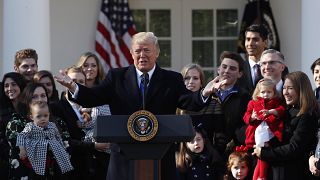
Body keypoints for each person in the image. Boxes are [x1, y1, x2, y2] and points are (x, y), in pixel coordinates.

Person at [54, 32, 221, 180]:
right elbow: (93, 97)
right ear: (131, 54)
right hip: (124, 157)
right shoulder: (117, 77)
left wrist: (204, 93)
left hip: (160, 156)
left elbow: (189, 101)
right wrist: (73, 87)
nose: (142, 55)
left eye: (147, 50)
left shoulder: (172, 79)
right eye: (138, 51)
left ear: (157, 53)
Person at [253, 71, 319, 180]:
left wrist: (264, 153)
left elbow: (294, 148)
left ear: (301, 90)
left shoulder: (308, 115)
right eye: (284, 88)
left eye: (290, 88)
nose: (285, 92)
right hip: (277, 171)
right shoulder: (285, 111)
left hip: (295, 173)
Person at [52, 66, 109, 180]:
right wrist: (94, 145)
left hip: (99, 168)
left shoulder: (95, 106)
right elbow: (64, 141)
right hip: (73, 169)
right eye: (73, 81)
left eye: (81, 82)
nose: (77, 84)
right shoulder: (57, 107)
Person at [207, 51, 251, 158]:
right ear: (218, 69)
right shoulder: (206, 93)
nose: (227, 71)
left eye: (232, 68)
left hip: (233, 154)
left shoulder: (245, 97)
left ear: (240, 74)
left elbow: (245, 126)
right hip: (206, 151)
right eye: (224, 67)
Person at [16, 101, 73, 179]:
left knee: (60, 170)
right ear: (32, 117)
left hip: (54, 154)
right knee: (38, 174)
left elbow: (58, 137)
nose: (43, 119)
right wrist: (22, 149)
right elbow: (21, 136)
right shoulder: (30, 126)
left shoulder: (52, 125)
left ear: (49, 115)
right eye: (39, 116)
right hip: (38, 155)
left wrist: (63, 149)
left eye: (45, 116)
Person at [243, 78, 285, 180]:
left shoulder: (276, 101)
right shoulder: (253, 103)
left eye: (269, 92)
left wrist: (271, 112)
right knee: (259, 157)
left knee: (262, 155)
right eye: (263, 92)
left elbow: (281, 110)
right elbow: (246, 116)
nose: (265, 94)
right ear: (258, 92)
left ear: (274, 92)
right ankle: (260, 177)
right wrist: (252, 117)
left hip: (270, 131)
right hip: (257, 132)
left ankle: (261, 176)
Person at [0, 72, 27, 179]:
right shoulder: (2, 113)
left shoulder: (30, 109)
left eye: (14, 84)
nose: (10, 88)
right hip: (11, 163)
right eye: (6, 86)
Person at [240, 24, 268, 94]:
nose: (250, 43)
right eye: (248, 39)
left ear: (265, 43)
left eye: (255, 39)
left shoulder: (276, 68)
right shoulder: (238, 69)